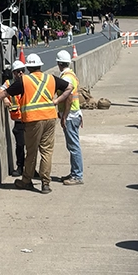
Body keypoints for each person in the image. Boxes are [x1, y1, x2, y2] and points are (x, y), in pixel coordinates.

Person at [0, 52, 68, 194]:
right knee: (47, 151)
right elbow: (69, 88)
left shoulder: (24, 81)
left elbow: (5, 93)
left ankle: (26, 181)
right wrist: (57, 101)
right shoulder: (50, 78)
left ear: (28, 68)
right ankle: (45, 184)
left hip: (33, 119)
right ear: (40, 66)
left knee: (32, 152)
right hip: (50, 118)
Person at [54, 48, 83, 184]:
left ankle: (77, 175)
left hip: (70, 115)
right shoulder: (72, 75)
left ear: (59, 63)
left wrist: (64, 116)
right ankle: (74, 173)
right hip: (75, 114)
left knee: (73, 146)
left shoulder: (65, 78)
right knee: (73, 145)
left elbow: (69, 98)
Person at [3, 58, 28, 176]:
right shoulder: (9, 84)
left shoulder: (28, 82)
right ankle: (20, 167)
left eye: (22, 70)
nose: (21, 73)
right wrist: (4, 98)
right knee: (20, 145)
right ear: (14, 73)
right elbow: (0, 92)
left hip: (29, 119)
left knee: (31, 147)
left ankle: (30, 168)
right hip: (18, 120)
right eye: (18, 71)